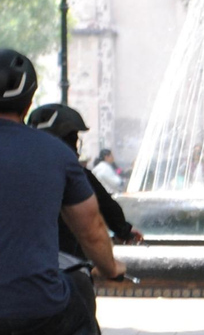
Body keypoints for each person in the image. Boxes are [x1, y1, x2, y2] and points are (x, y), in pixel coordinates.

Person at [0, 48, 126, 335]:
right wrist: (110, 269)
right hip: (36, 312)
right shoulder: (57, 154)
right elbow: (92, 229)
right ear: (29, 101)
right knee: (80, 288)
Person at [28, 103, 143, 334]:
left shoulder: (18, 175)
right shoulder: (75, 173)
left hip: (21, 278)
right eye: (74, 138)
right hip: (69, 276)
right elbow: (100, 220)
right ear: (69, 141)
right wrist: (124, 233)